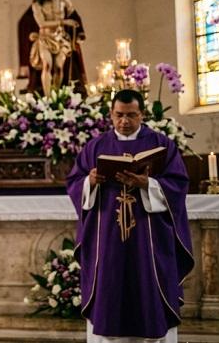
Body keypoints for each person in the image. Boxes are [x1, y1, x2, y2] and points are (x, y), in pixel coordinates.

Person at [66, 90, 193, 341]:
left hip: (150, 240)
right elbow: (74, 182)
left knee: (149, 289)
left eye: (131, 115)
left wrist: (148, 184)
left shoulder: (161, 144)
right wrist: (90, 182)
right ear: (111, 114)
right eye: (119, 115)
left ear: (142, 115)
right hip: (107, 241)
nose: (124, 121)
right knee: (109, 290)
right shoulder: (95, 147)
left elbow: (178, 185)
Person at [18, 0, 87, 95]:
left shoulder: (63, 1)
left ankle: (56, 95)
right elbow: (42, 23)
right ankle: (48, 98)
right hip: (45, 38)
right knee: (47, 66)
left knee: (60, 67)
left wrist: (80, 33)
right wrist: (64, 22)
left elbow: (75, 17)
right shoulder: (37, 5)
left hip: (61, 38)